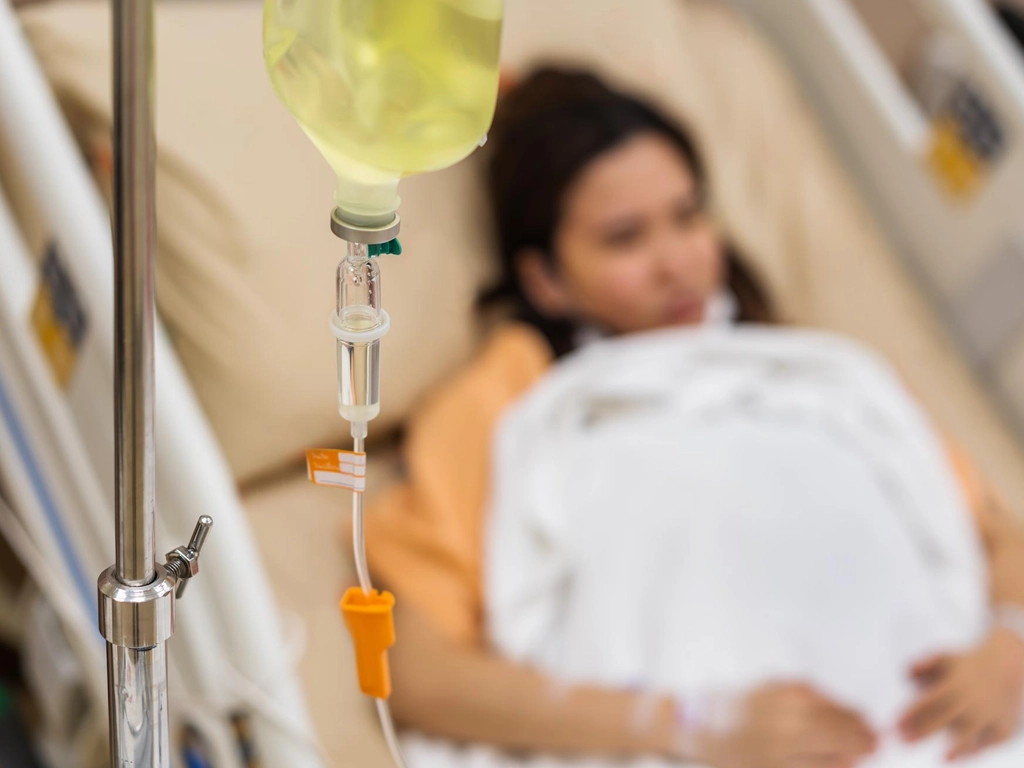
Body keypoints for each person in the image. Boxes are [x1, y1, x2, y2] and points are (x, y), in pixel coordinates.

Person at [363, 69, 1024, 768]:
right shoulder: (512, 403)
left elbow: (992, 532)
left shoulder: (820, 374)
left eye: (688, 216)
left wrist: (1011, 641)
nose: (678, 263)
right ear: (545, 280)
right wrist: (691, 722)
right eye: (625, 238)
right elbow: (417, 672)